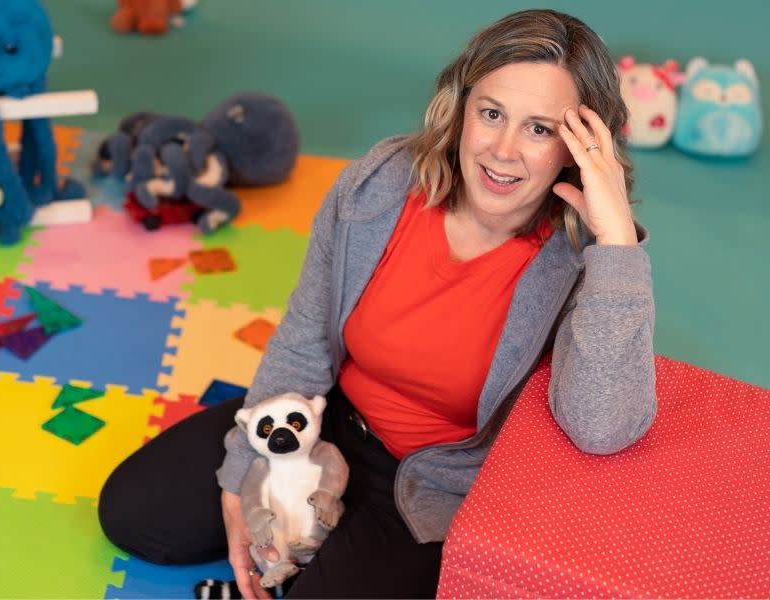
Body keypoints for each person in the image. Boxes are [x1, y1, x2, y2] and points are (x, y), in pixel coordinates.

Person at [98, 8, 657, 599]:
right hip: (320, 424)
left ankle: (319, 550)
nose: (502, 150)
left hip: (429, 485)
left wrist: (616, 242)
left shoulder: (586, 261)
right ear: (461, 107)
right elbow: (305, 338)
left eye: (539, 129)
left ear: (579, 148)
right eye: (491, 114)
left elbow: (603, 428)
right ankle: (311, 540)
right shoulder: (382, 183)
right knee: (133, 513)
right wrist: (245, 470)